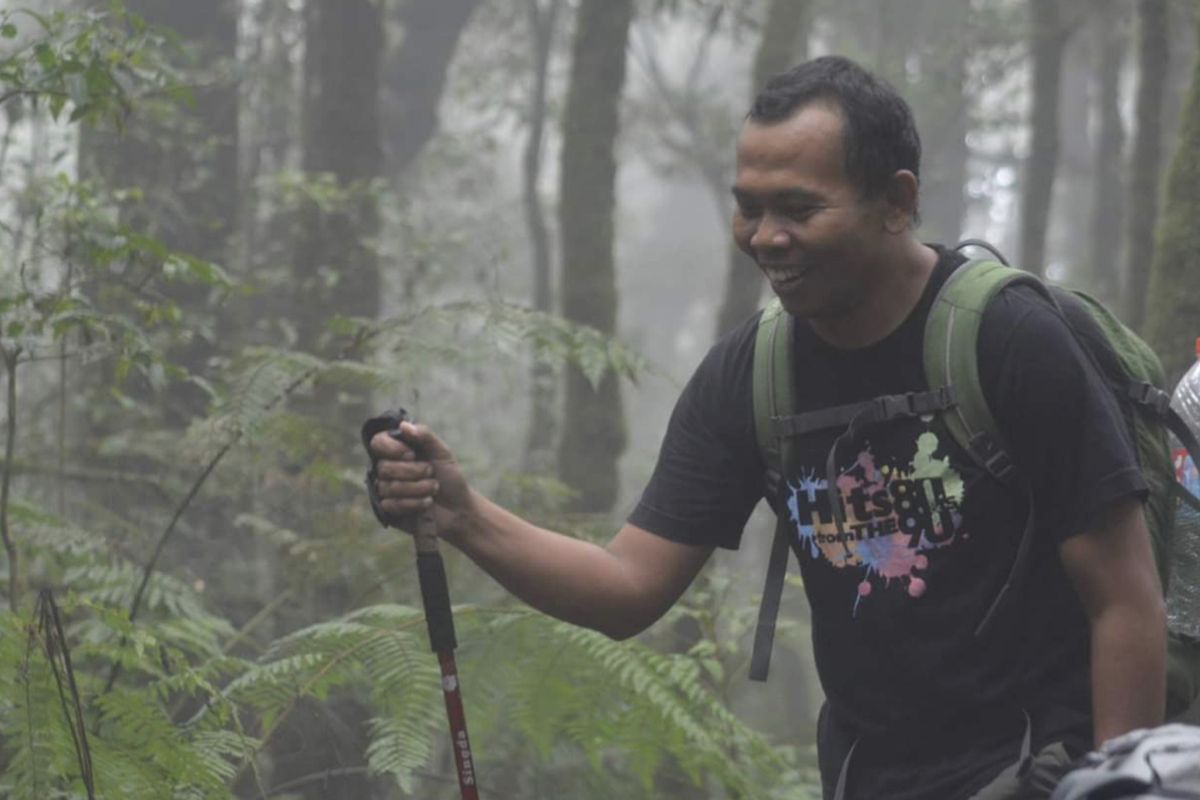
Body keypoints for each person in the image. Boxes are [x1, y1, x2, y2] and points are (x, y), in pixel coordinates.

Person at [368, 56, 1167, 799]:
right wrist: (463, 516)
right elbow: (626, 589)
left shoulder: (1007, 340)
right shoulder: (751, 375)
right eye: (748, 207)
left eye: (798, 208)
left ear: (898, 201)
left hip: (1043, 767)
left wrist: (1116, 785)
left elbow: (1123, 601)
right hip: (869, 776)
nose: (765, 237)